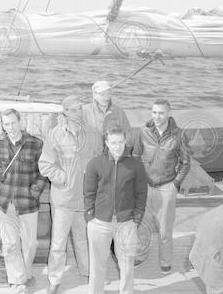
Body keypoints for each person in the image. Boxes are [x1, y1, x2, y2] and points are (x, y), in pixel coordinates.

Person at [39, 95, 102, 294]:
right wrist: (64, 178)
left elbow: (100, 162)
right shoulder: (55, 134)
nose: (78, 112)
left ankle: (88, 273)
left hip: (84, 198)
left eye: (80, 108)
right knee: (58, 243)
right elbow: (45, 165)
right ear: (65, 111)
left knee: (83, 239)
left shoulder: (93, 133)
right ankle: (55, 279)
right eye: (74, 109)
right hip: (63, 199)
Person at [0, 108, 48, 294]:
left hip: (28, 203)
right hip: (4, 203)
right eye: (6, 124)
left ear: (20, 121)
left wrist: (34, 193)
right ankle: (17, 280)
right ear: (2, 125)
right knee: (10, 243)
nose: (10, 127)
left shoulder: (36, 144)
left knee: (30, 244)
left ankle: (26, 274)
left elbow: (43, 172)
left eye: (13, 123)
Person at [84, 125, 148, 294]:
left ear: (125, 141)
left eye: (120, 142)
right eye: (113, 142)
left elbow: (141, 193)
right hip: (99, 222)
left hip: (126, 222)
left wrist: (137, 218)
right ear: (106, 143)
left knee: (127, 265)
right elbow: (89, 192)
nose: (117, 146)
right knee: (97, 265)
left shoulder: (136, 165)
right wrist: (91, 217)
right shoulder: (95, 164)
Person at [133, 99, 190, 274]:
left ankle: (165, 261)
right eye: (154, 112)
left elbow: (186, 162)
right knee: (142, 224)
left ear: (169, 113)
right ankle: (141, 255)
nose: (157, 117)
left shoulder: (178, 135)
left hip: (167, 187)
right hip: (145, 186)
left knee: (165, 230)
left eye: (161, 113)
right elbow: (135, 156)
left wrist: (176, 184)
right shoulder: (143, 132)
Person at [83, 80, 133, 146]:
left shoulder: (118, 111)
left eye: (108, 94)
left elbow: (128, 133)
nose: (106, 98)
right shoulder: (84, 110)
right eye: (102, 94)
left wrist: (119, 146)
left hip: (113, 151)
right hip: (92, 150)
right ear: (94, 95)